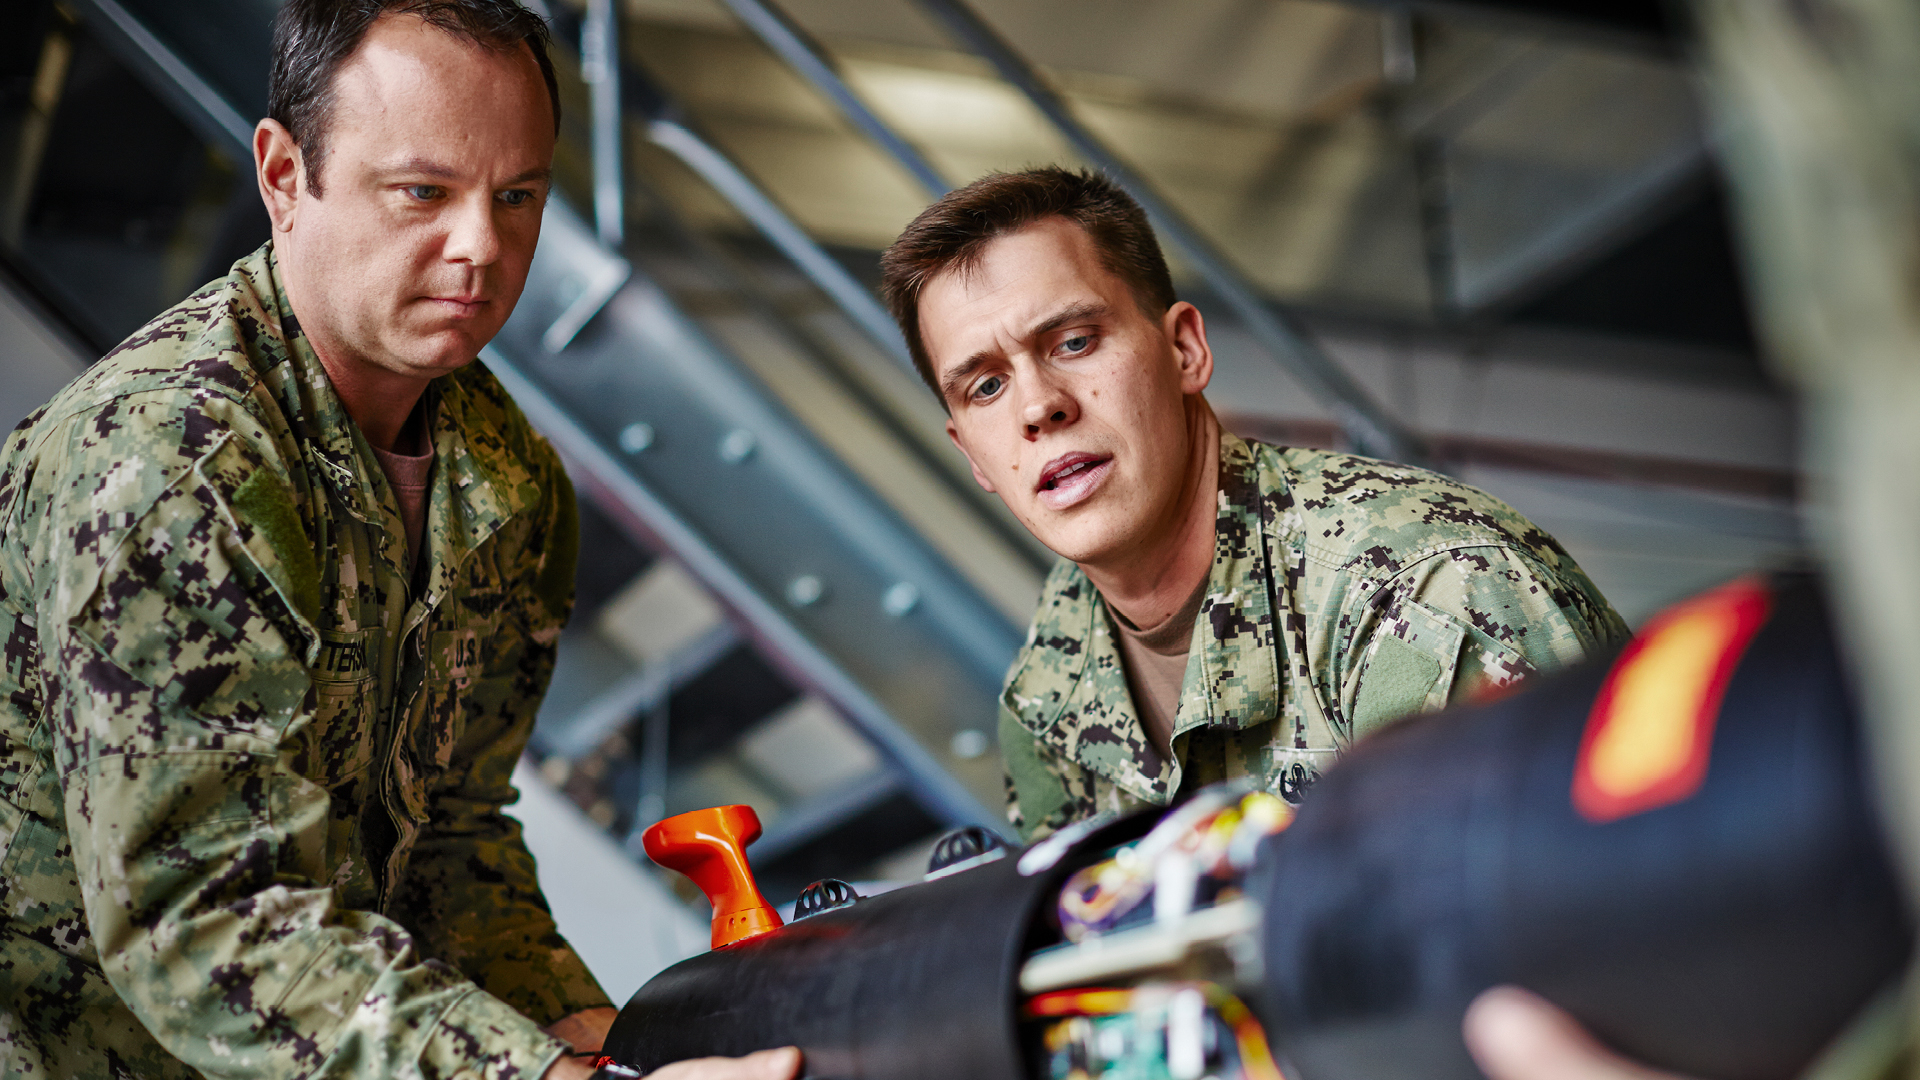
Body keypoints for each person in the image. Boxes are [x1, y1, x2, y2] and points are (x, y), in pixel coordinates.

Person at [0, 3, 795, 1079]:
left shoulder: (507, 475)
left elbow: (452, 842)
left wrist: (603, 1039)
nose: (482, 246)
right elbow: (204, 919)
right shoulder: (170, 462)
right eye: (423, 191)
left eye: (517, 197)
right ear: (285, 177)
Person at [879, 168, 1631, 841]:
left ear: (1184, 351)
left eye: (1074, 341)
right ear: (970, 453)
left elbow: (1563, 944)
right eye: (985, 386)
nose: (1039, 406)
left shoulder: (1422, 591)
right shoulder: (1046, 693)